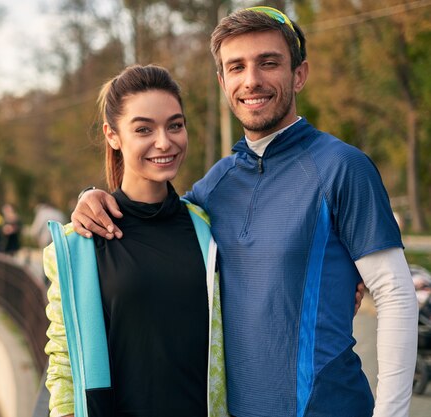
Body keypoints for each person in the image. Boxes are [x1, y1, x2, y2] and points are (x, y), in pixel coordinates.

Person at [71, 6, 418, 417]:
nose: (251, 80)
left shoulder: (344, 166)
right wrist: (90, 196)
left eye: (268, 63)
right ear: (223, 81)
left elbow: (396, 296)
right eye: (237, 67)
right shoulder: (212, 189)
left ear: (299, 74)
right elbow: (155, 224)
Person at [43, 64, 228, 417]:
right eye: (144, 128)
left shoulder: (207, 226)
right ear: (113, 135)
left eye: (175, 125)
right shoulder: (79, 245)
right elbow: (64, 362)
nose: (164, 141)